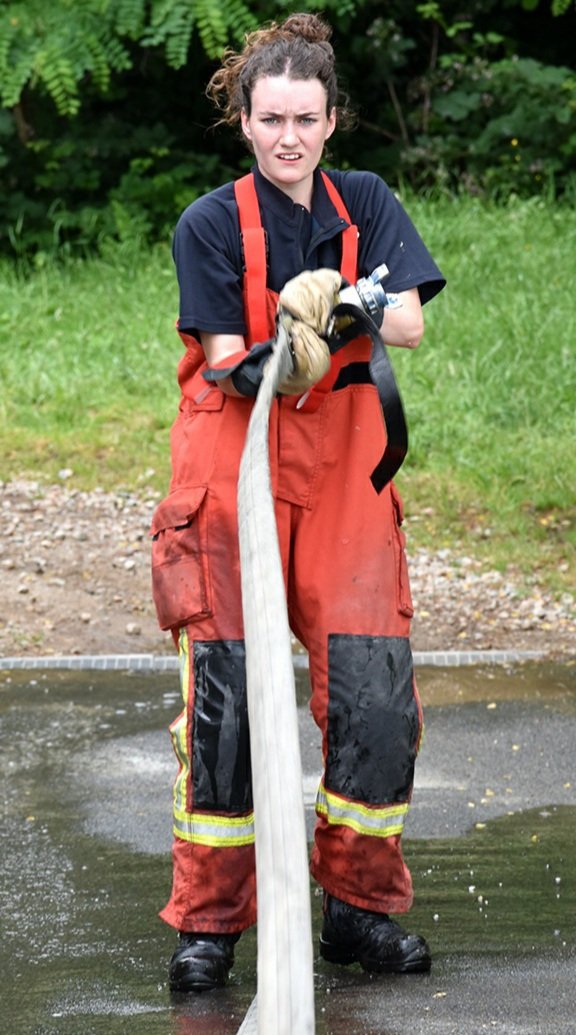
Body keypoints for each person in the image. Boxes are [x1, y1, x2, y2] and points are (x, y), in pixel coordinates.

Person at [150, 11, 445, 994]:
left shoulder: (365, 203)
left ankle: (357, 914)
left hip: (347, 489)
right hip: (234, 479)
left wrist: (348, 298)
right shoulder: (209, 223)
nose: (287, 136)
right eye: (270, 116)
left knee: (372, 705)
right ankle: (211, 926)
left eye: (304, 118)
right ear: (244, 118)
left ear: (331, 121)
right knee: (227, 716)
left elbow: (406, 320)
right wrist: (293, 346)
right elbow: (229, 364)